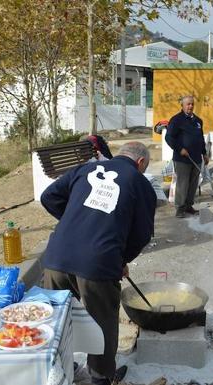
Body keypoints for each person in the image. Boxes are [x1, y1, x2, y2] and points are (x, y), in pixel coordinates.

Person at [40, 142, 157, 385]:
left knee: (56, 319)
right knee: (102, 321)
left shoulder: (86, 169)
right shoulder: (140, 182)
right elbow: (142, 234)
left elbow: (48, 196)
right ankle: (100, 377)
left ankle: (58, 371)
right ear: (141, 163)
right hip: (98, 262)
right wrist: (120, 258)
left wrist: (77, 222)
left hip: (56, 257)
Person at [165, 96, 208, 218]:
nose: (190, 106)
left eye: (192, 104)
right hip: (182, 159)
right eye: (188, 104)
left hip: (196, 158)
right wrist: (180, 149)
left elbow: (201, 139)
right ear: (182, 105)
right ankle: (180, 208)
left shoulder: (198, 121)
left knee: (193, 184)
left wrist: (204, 153)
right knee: (182, 184)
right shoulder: (176, 120)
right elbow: (168, 137)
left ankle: (189, 206)